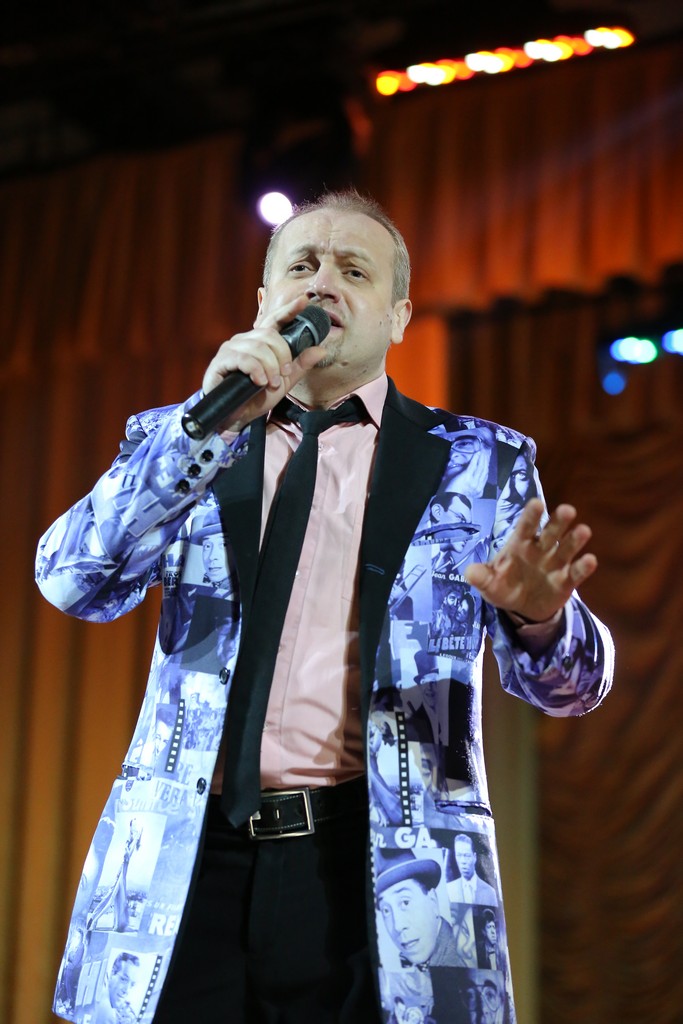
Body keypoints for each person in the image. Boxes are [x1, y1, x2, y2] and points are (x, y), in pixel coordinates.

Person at [37, 189, 614, 1024]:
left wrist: (540, 619)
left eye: (353, 270)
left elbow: (574, 688)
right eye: (301, 266)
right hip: (187, 861)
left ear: (399, 316)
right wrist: (202, 429)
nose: (322, 284)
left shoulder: (478, 463)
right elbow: (71, 581)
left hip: (379, 868)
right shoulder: (180, 438)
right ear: (264, 303)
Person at [376, 850, 462, 969]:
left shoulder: (463, 958)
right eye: (386, 911)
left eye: (405, 902)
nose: (398, 926)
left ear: (433, 901)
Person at [447, 834, 499, 907]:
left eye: (467, 855)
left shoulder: (490, 893)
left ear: (474, 857)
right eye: (459, 855)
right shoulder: (449, 890)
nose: (463, 861)